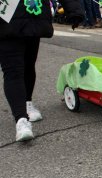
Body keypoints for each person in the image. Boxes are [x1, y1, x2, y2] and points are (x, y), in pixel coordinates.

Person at [0, 0, 84, 142]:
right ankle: (21, 119)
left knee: (28, 64)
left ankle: (27, 103)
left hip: (32, 15)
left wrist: (74, 10)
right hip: (7, 15)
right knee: (13, 71)